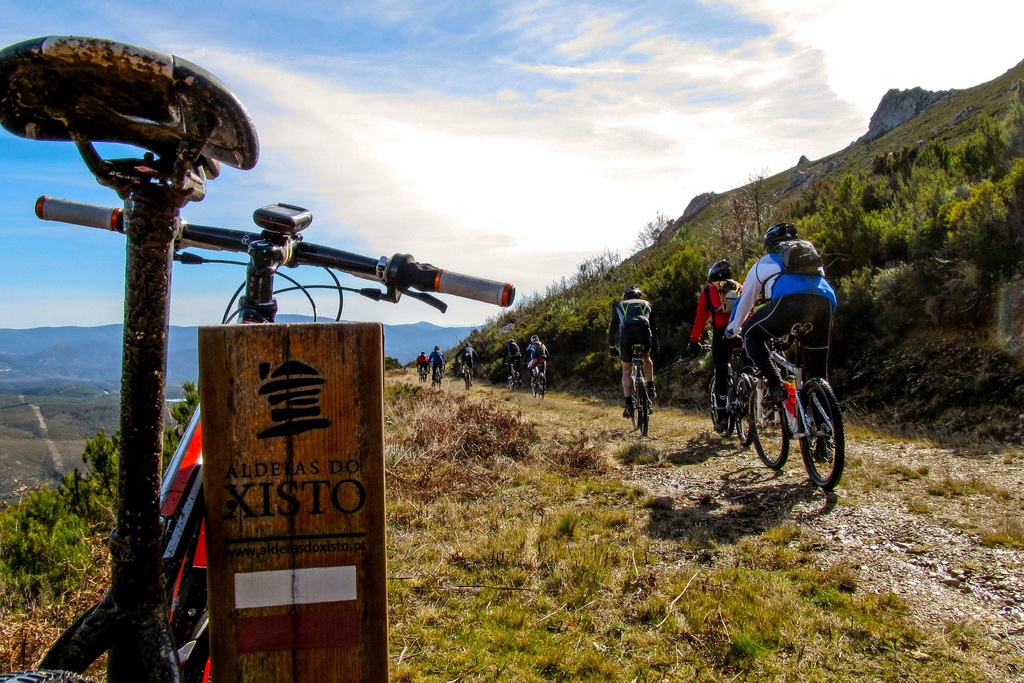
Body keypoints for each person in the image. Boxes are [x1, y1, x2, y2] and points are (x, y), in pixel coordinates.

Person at [726, 222, 837, 406]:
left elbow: (746, 299)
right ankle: (823, 426)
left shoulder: (766, 261)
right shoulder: (810, 255)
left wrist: (732, 331)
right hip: (825, 304)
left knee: (751, 335)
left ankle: (776, 385)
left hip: (789, 303)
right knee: (818, 374)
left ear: (769, 245)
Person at [689, 260, 743, 433]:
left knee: (721, 371)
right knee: (748, 365)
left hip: (721, 332)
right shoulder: (740, 287)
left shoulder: (708, 290)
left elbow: (701, 318)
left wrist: (694, 340)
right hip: (742, 330)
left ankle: (721, 417)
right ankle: (749, 391)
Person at [608, 285, 658, 419]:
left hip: (627, 334)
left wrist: (612, 347)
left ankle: (629, 403)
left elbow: (612, 329)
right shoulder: (647, 304)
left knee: (626, 370)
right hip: (644, 332)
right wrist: (655, 345)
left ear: (625, 297)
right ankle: (651, 386)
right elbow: (653, 327)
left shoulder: (620, 305)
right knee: (646, 357)